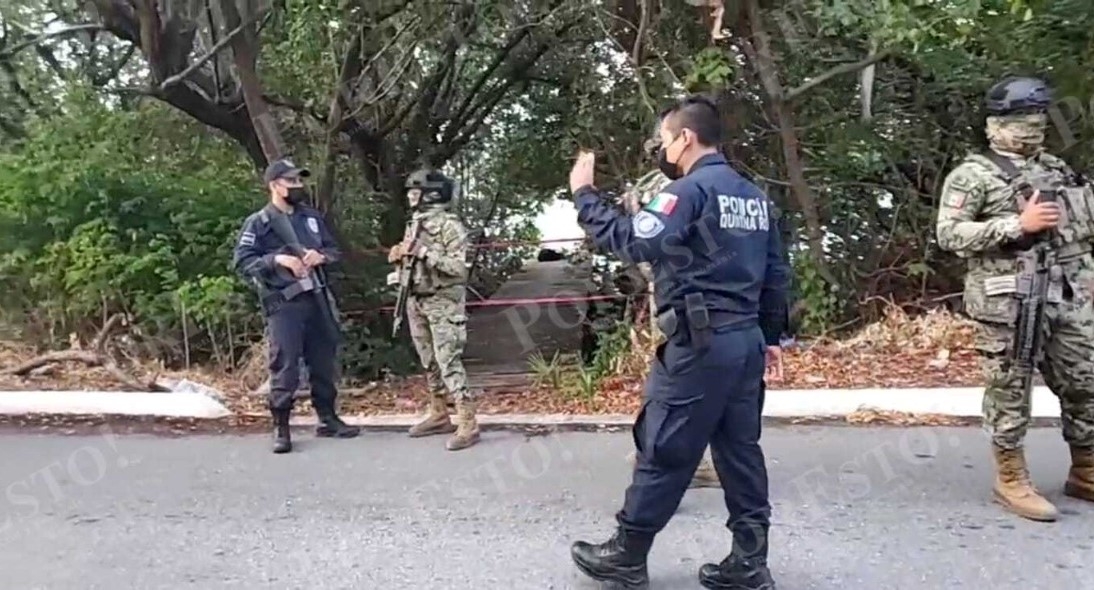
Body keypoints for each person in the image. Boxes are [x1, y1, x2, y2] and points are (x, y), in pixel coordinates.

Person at [567, 94, 790, 590]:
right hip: (746, 342)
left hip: (699, 345)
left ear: (684, 138)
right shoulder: (754, 197)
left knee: (664, 444)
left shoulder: (690, 192)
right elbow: (776, 273)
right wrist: (772, 336)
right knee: (740, 450)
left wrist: (584, 194)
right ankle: (750, 562)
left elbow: (633, 240)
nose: (662, 148)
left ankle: (627, 553)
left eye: (665, 139)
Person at [936, 76, 1094, 521]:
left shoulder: (1058, 169)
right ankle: (1011, 477)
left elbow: (1080, 232)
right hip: (1011, 300)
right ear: (995, 124)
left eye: (1038, 120)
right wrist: (1015, 225)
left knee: (1085, 382)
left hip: (1070, 296)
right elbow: (949, 233)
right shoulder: (973, 175)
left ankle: (1085, 468)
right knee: (1010, 388)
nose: (1031, 128)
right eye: (1021, 120)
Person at [232, 158, 361, 454]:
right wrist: (277, 259)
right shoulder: (260, 222)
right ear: (274, 185)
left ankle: (328, 418)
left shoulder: (311, 218)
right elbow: (242, 261)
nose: (298, 186)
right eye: (291, 181)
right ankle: (281, 426)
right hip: (284, 302)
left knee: (323, 358)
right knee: (285, 363)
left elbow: (334, 250)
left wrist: (321, 257)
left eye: (299, 181)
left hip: (316, 296)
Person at [389, 168, 479, 451]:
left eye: (415, 191)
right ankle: (440, 412)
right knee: (429, 361)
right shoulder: (414, 223)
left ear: (431, 194)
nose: (410, 197)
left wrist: (424, 252)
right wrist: (399, 259)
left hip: (442, 302)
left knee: (448, 361)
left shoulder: (450, 226)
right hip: (418, 299)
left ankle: (468, 421)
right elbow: (411, 261)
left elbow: (459, 269)